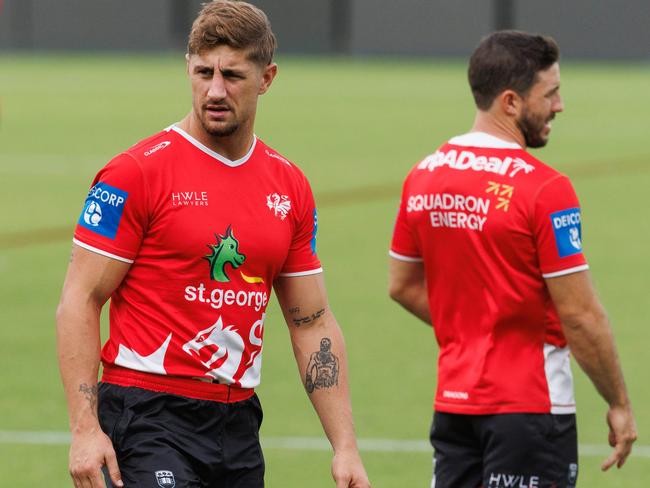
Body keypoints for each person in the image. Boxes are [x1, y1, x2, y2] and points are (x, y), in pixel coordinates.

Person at [56, 2, 370, 487]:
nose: (215, 90)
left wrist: (345, 446)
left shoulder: (288, 186)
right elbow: (80, 298)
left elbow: (312, 322)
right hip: (148, 416)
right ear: (188, 67)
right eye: (204, 72)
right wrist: (84, 428)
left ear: (267, 78)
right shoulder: (134, 174)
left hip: (238, 422)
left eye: (233, 75)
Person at [388, 30, 636, 488]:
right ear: (510, 101)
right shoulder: (545, 189)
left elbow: (401, 285)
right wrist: (619, 402)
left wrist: (474, 330)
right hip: (531, 410)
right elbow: (580, 316)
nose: (559, 105)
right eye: (551, 93)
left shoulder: (422, 175)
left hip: (454, 405)